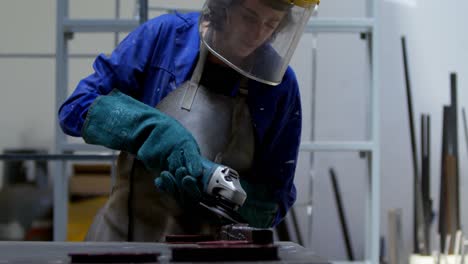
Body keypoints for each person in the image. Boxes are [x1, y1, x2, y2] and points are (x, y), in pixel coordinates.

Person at [58, 0, 320, 242]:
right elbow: (76, 108)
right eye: (249, 17)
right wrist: (151, 131)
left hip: (211, 252)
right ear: (224, 6)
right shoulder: (165, 39)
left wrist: (216, 190)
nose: (257, 34)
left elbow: (272, 203)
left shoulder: (279, 88)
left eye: (271, 24)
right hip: (122, 241)